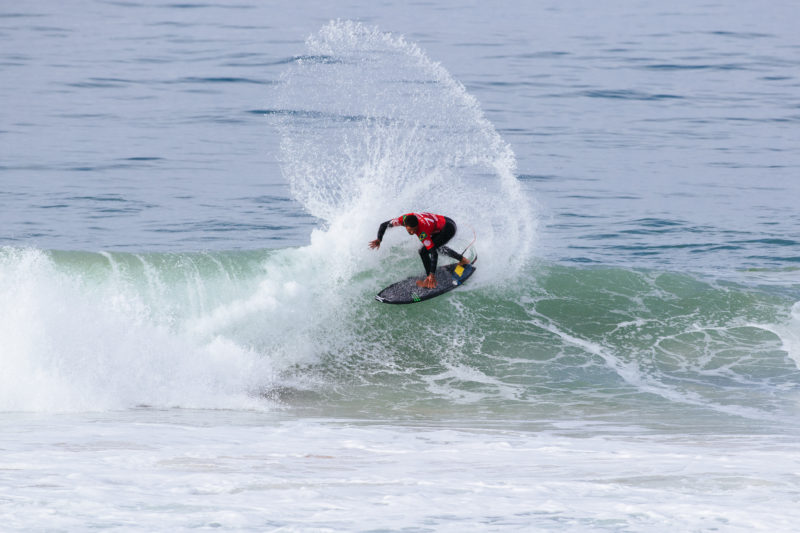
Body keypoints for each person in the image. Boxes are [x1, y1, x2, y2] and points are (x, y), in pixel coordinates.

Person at [369, 212, 470, 289]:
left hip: (448, 228)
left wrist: (432, 274)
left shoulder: (422, 231)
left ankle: (429, 280)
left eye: (415, 229)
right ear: (405, 224)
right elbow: (383, 225)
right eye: (410, 230)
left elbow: (433, 254)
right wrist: (379, 239)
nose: (413, 232)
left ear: (418, 225)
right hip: (443, 223)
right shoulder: (402, 220)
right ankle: (463, 260)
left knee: (424, 251)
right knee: (434, 246)